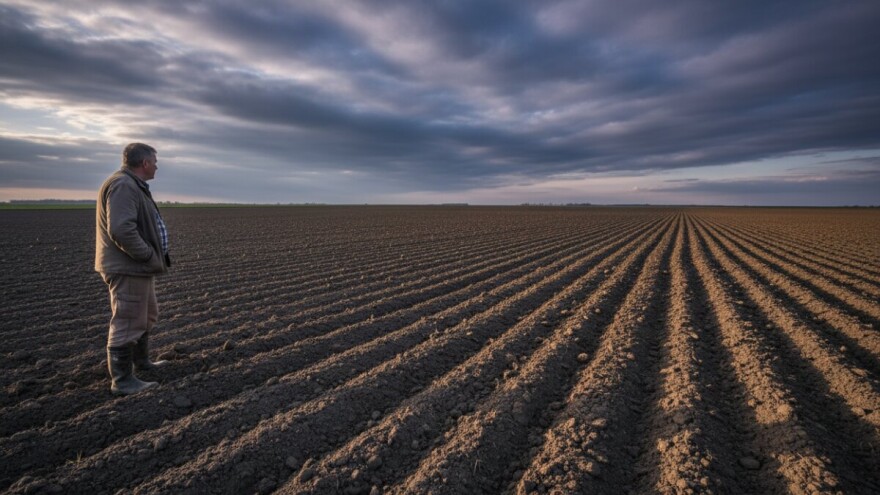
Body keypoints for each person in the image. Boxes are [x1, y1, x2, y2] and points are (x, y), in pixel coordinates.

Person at [95, 142, 172, 395]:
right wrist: (148, 255)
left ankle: (142, 362)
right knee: (128, 319)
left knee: (146, 315)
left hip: (137, 267)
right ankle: (122, 381)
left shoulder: (132, 184)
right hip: (128, 266)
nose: (157, 166)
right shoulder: (123, 185)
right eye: (155, 161)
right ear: (145, 163)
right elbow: (121, 229)